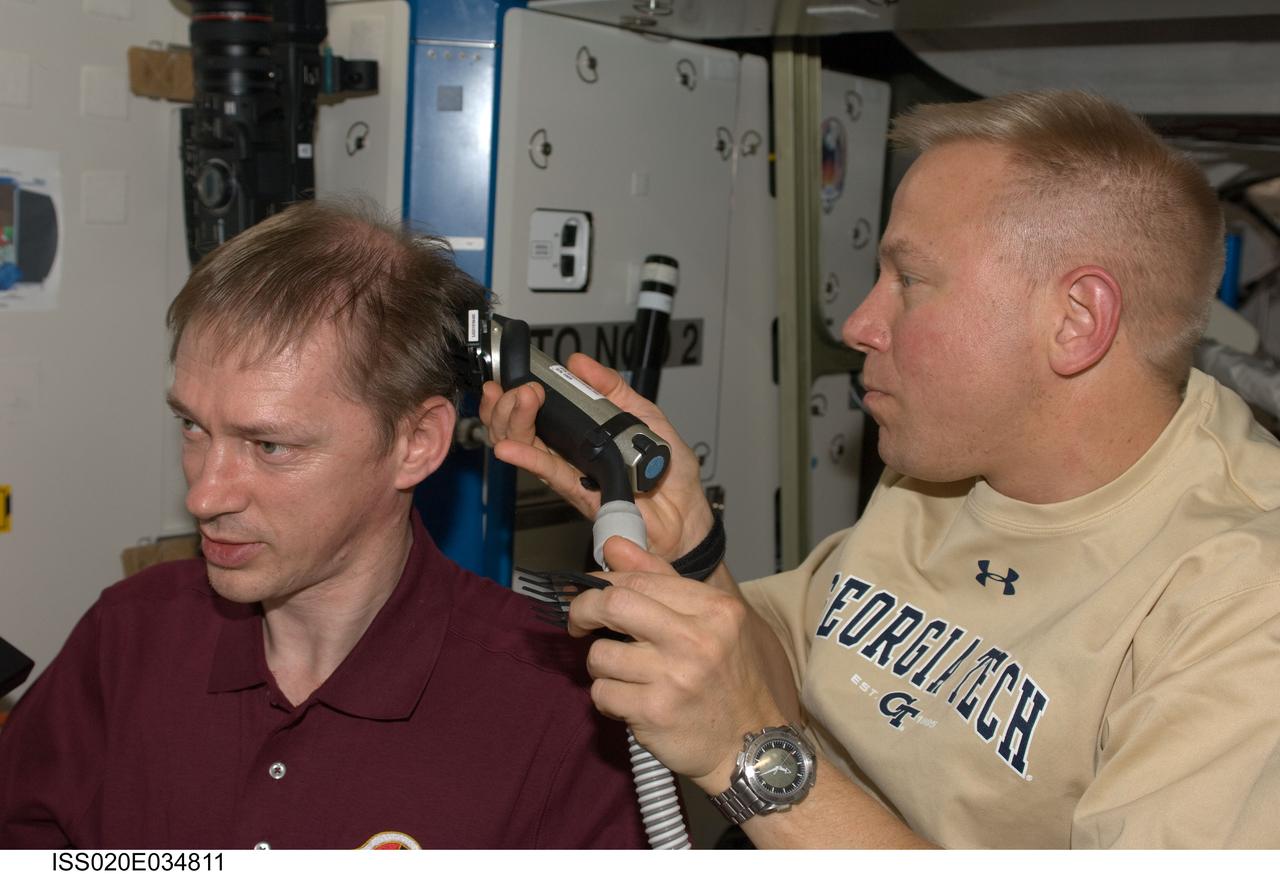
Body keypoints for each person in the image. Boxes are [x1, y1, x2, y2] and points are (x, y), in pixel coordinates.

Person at [480, 90, 1280, 848]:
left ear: (1075, 321)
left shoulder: (1243, 599)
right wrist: (690, 544)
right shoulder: (947, 458)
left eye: (911, 281)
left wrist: (752, 759)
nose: (862, 324)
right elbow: (793, 686)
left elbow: (757, 730)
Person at [0, 200, 647, 849]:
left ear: (416, 443)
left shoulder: (561, 712)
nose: (204, 496)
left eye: (270, 446)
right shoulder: (130, 636)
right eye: (194, 426)